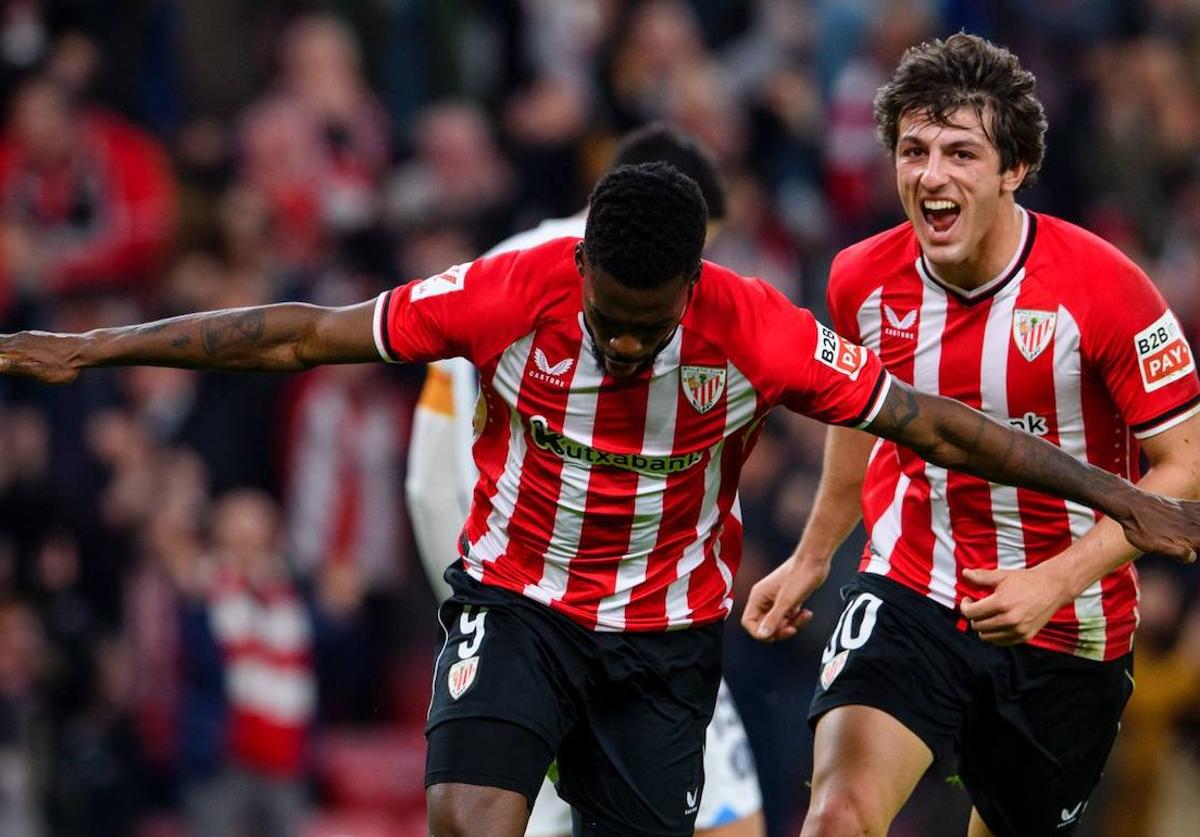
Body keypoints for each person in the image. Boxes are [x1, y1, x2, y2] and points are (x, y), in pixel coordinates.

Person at [3, 163, 1200, 837]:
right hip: (516, 602)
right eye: (609, 325)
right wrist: (95, 349)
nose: (628, 351)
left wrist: (1113, 494)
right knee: (470, 821)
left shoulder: (760, 334)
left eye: (652, 326)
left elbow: (932, 422)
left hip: (665, 641)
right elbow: (300, 339)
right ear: (579, 272)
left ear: (694, 283)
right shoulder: (506, 292)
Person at [741, 33, 1200, 837]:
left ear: (1013, 169)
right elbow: (862, 418)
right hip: (913, 587)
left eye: (960, 152)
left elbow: (1184, 465)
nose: (931, 175)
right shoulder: (859, 278)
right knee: (837, 816)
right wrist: (814, 556)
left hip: (1071, 623)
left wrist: (1055, 579)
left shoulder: (1104, 288)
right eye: (912, 150)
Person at [405, 123, 765, 837]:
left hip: (578, 613)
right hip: (572, 612)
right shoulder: (532, 284)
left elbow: (424, 477)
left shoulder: (492, 270)